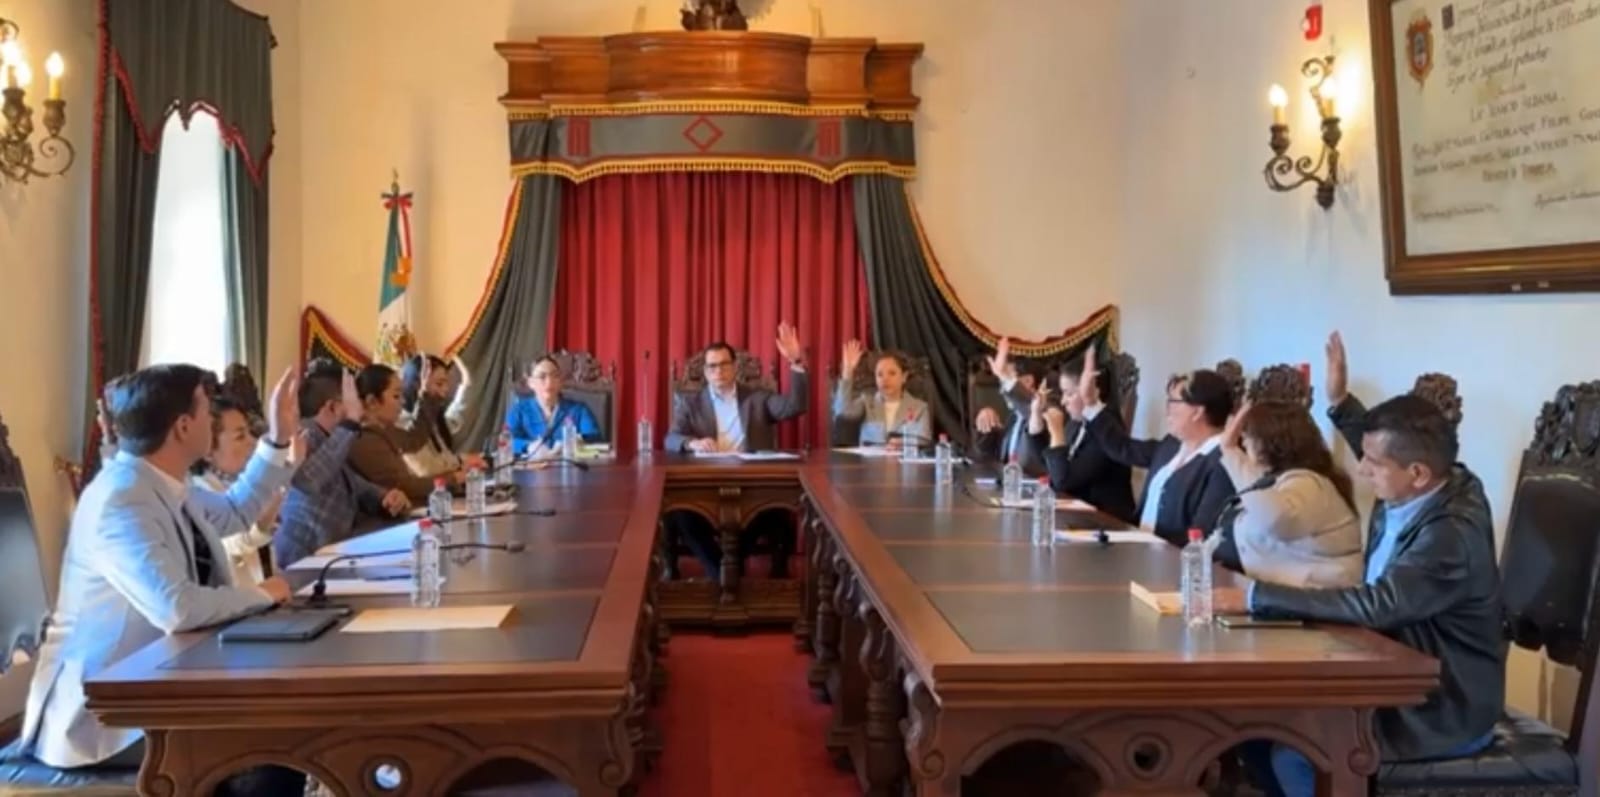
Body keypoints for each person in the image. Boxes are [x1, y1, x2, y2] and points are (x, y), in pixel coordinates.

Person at [1225, 332, 1504, 796]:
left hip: (1437, 706)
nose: (1361, 469)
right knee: (1252, 727)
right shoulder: (1421, 483)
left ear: (1417, 474)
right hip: (1389, 672)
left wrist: (1257, 597)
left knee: (1295, 753)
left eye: (1372, 464)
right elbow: (1379, 449)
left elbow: (1378, 606)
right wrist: (1339, 402)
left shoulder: (1451, 535)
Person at [19, 365, 305, 796]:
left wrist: (278, 441)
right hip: (104, 719)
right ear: (183, 426)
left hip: (163, 684)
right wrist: (261, 594)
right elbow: (177, 608)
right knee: (268, 751)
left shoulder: (162, 482)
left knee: (285, 728)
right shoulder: (121, 500)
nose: (212, 420)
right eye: (207, 411)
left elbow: (235, 512)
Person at [663, 324, 809, 580]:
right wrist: (692, 443)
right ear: (705, 372)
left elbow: (795, 406)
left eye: (724, 364)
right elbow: (671, 438)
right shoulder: (690, 403)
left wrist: (796, 362)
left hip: (752, 485)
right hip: (705, 484)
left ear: (734, 367)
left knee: (777, 512)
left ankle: (725, 571)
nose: (718, 371)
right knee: (680, 515)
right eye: (712, 366)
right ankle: (723, 572)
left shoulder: (758, 398)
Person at [1072, 346, 1237, 546]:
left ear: (1197, 412)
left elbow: (1200, 535)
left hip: (1169, 559)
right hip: (1136, 545)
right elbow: (1123, 448)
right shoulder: (1172, 445)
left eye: (1173, 402)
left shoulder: (1222, 463)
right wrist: (1090, 403)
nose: (1167, 410)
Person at [1211, 399, 1362, 588]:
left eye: (1248, 436)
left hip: (1311, 601)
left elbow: (1273, 520)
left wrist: (1230, 451)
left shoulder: (1310, 483)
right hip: (1269, 594)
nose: (1244, 443)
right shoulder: (1280, 481)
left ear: (1272, 442)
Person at [274, 360, 409, 566]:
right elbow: (308, 479)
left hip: (332, 553)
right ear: (332, 407)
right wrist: (351, 421)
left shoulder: (332, 437)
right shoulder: (302, 434)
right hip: (303, 558)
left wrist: (385, 496)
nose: (360, 409)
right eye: (353, 402)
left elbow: (351, 482)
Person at [1034, 354, 1136, 523]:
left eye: (1069, 394)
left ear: (1093, 391)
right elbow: (1046, 468)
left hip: (1107, 524)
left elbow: (1063, 482)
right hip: (1078, 518)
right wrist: (1037, 420)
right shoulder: (1076, 423)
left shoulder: (1108, 430)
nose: (1063, 401)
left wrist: (1057, 433)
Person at [190, 395, 281, 584]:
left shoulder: (239, 482)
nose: (253, 442)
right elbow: (233, 544)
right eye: (240, 437)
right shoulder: (199, 492)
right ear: (207, 450)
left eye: (249, 433)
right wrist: (266, 515)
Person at [348, 363, 468, 505]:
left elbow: (414, 439)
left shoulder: (384, 429)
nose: (402, 401)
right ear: (372, 402)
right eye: (396, 396)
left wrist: (427, 396)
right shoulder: (364, 439)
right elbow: (405, 486)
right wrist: (452, 479)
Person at [832, 339, 930, 447]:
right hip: (870, 457)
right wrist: (848, 372)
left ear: (904, 377)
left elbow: (924, 439)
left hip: (903, 457)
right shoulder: (867, 402)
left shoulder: (919, 407)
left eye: (892, 373)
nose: (885, 379)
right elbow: (842, 412)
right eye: (879, 374)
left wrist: (900, 442)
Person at [398, 354, 483, 476]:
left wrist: (466, 382)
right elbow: (426, 469)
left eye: (446, 383)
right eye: (439, 384)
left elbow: (454, 418)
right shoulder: (403, 424)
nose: (445, 389)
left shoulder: (432, 418)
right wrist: (461, 460)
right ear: (417, 385)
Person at [972, 338, 1045, 476]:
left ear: (1028, 380)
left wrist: (1003, 375)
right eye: (1002, 382)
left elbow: (1032, 407)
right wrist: (986, 425)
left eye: (1007, 378)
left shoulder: (1044, 410)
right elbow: (987, 454)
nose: (1002, 391)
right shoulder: (1014, 417)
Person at [504, 355, 604, 455]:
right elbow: (506, 440)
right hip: (531, 463)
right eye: (542, 377)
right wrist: (528, 446)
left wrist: (573, 442)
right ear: (531, 383)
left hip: (569, 463)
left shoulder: (579, 410)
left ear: (560, 381)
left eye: (555, 376)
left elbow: (594, 438)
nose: (549, 382)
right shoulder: (518, 411)